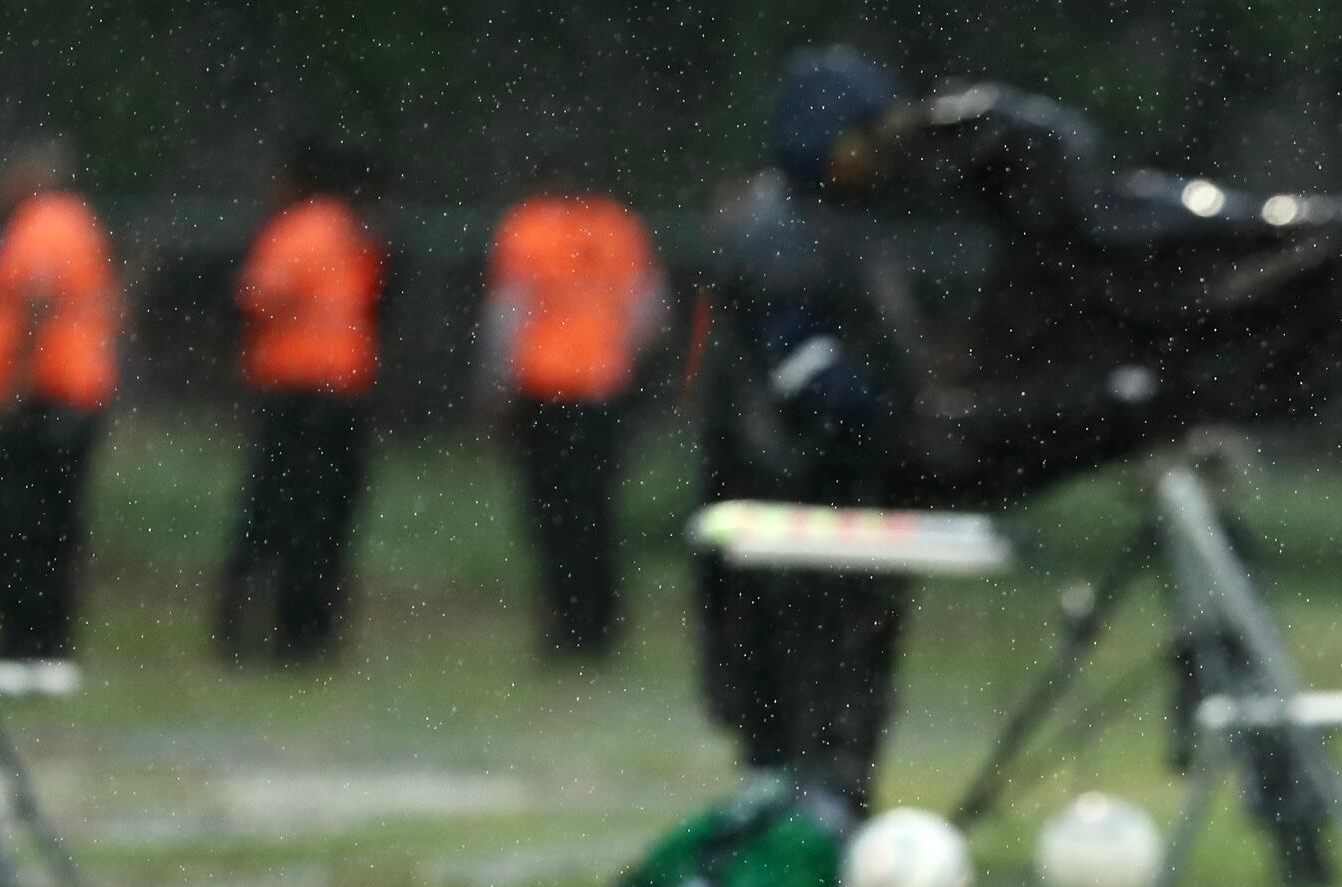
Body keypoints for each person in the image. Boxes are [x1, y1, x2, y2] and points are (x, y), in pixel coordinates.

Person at [695, 49, 1182, 822]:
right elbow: (806, 373)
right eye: (860, 140)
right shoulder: (776, 228)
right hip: (792, 494)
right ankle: (798, 816)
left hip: (845, 489)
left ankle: (837, 806)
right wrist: (903, 422)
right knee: (795, 676)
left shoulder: (836, 224)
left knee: (854, 667)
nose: (873, 158)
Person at [480, 150, 666, 661]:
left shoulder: (527, 227)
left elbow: (507, 315)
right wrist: (612, 354)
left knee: (551, 512)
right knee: (597, 508)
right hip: (603, 389)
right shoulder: (617, 226)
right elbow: (650, 312)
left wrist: (496, 384)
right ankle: (599, 623)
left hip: (544, 389)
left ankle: (563, 623)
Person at [215, 139, 384, 666]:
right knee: (327, 519)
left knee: (270, 515)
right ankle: (310, 632)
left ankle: (243, 630)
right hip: (345, 393)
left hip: (295, 394)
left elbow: (259, 300)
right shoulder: (354, 231)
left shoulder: (294, 231)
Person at [0, 137, 118, 660]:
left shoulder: (43, 223)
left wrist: (12, 387)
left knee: (19, 523)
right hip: (72, 398)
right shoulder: (76, 221)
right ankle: (46, 639)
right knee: (52, 524)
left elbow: (36, 304)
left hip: (45, 400)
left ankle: (27, 639)